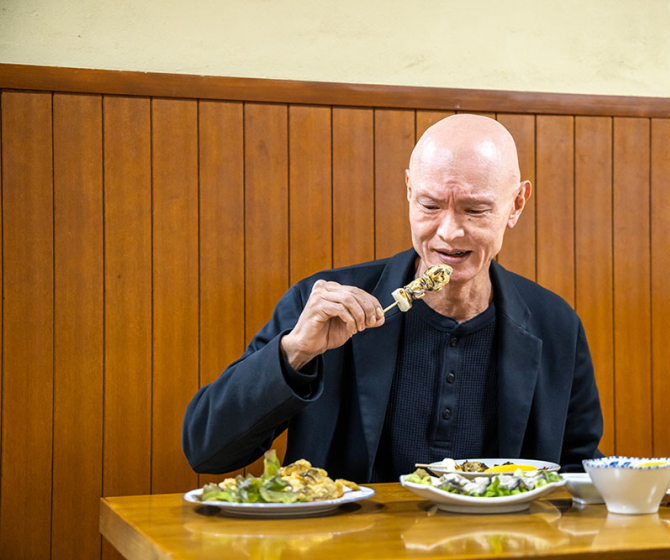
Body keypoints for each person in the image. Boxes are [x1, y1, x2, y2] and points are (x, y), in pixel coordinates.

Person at [182, 114, 602, 482]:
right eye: (430, 205)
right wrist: (294, 353)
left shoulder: (556, 324)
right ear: (408, 191)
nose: (448, 232)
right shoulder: (324, 304)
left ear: (516, 204)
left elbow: (579, 470)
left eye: (475, 210)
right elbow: (207, 450)